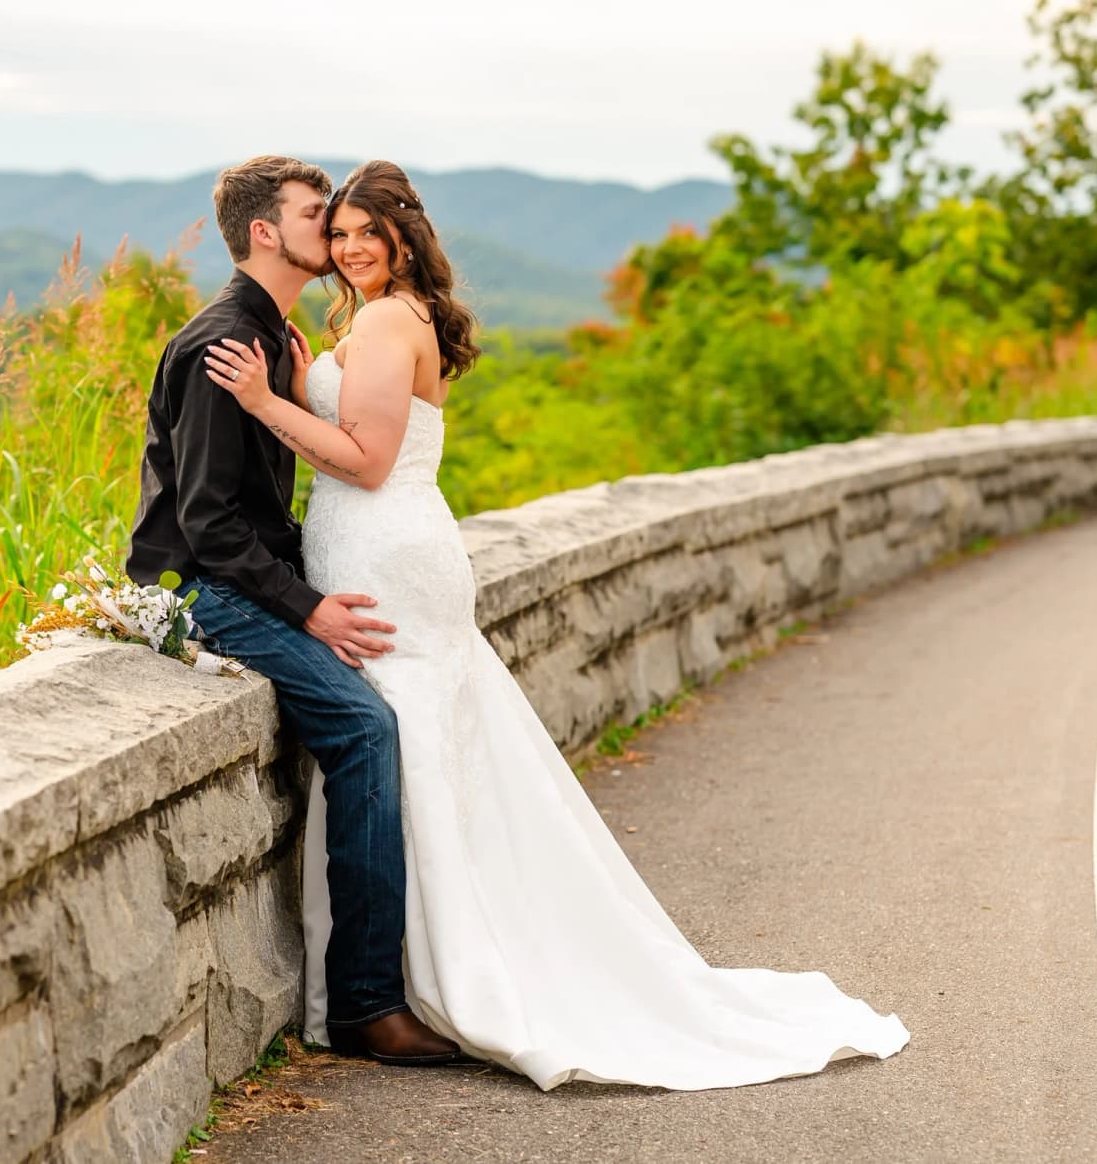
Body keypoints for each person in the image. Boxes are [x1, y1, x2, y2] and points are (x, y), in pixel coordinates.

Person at [202, 159, 910, 1091]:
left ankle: (413, 980)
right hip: (385, 548)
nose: (349, 247)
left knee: (407, 740)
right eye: (337, 233)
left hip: (382, 548)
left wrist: (267, 404)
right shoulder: (385, 319)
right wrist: (304, 377)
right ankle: (399, 977)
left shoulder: (383, 318)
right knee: (423, 744)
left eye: (367, 232)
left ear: (405, 236)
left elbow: (369, 462)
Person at [126, 155, 466, 1064]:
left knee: (373, 721)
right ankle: (364, 1002)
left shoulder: (275, 337)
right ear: (267, 231)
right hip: (214, 592)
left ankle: (378, 986)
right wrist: (307, 607)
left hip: (265, 577)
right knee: (363, 727)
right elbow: (203, 525)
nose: (338, 233)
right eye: (321, 216)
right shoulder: (221, 345)